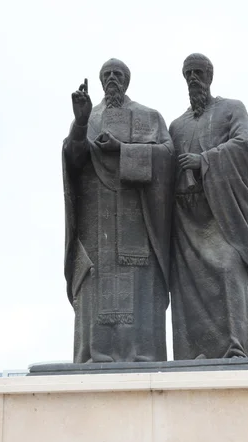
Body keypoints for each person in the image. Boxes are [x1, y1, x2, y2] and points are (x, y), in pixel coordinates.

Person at [63, 59, 174, 362]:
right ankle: (95, 357)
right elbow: (72, 160)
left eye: (118, 74)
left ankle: (142, 356)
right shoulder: (89, 117)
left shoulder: (149, 117)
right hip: (95, 225)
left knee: (140, 289)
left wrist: (121, 150)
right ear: (100, 82)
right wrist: (81, 123)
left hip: (138, 222)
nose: (112, 79)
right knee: (94, 286)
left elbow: (167, 156)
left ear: (126, 81)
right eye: (107, 75)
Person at [169, 53, 248, 360]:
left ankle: (235, 349)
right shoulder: (176, 126)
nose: (193, 78)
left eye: (198, 72)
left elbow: (245, 145)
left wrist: (204, 160)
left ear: (209, 76)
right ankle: (192, 353)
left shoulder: (231, 109)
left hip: (223, 216)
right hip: (187, 220)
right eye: (188, 74)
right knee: (188, 287)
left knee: (227, 267)